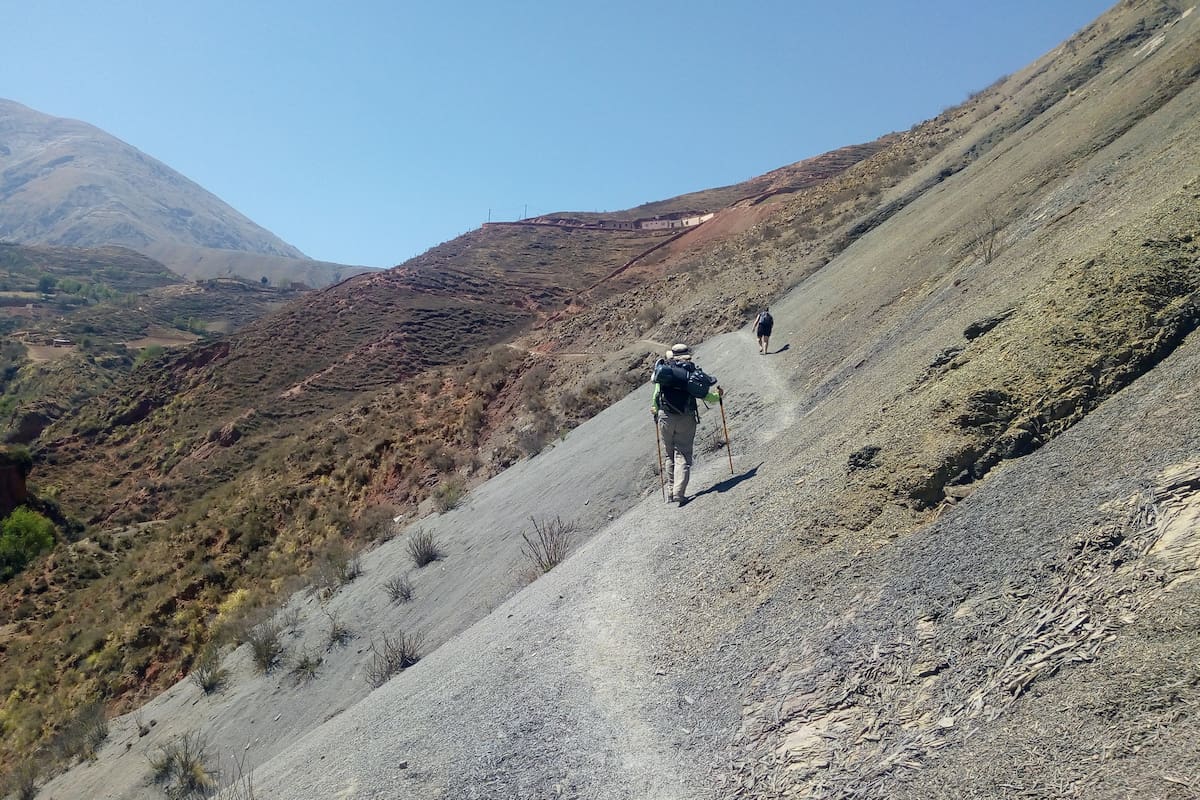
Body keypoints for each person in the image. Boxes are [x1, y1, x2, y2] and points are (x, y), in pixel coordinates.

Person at [651, 343, 722, 506]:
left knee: (669, 455)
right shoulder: (691, 372)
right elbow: (705, 396)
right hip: (685, 418)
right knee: (682, 453)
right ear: (687, 356)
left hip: (665, 416)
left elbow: (656, 395)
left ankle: (670, 492)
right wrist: (718, 396)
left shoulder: (664, 372)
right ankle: (678, 492)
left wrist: (655, 409)